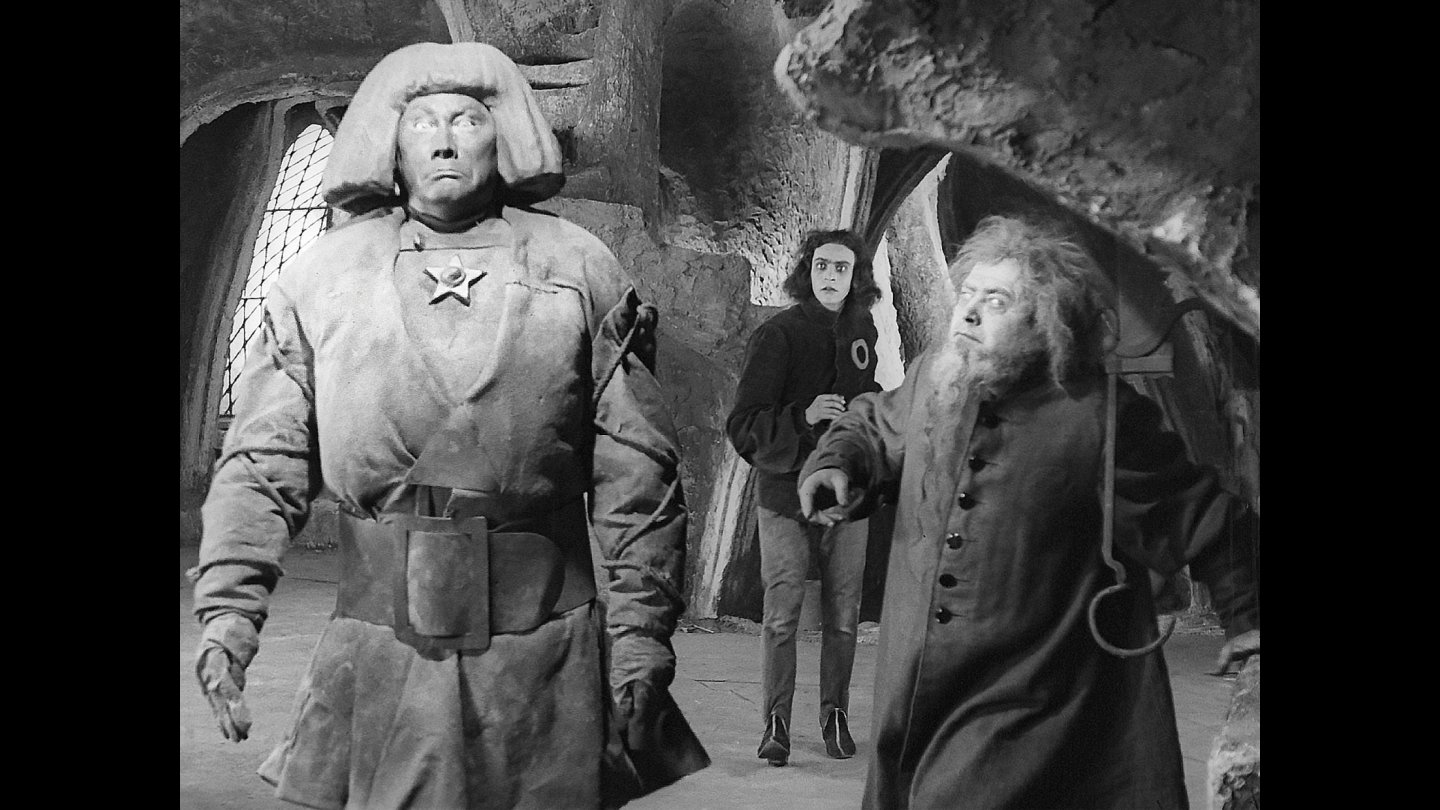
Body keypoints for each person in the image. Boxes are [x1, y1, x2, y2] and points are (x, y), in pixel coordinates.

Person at [189, 41, 707, 809]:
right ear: (389, 140)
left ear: (505, 134)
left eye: (466, 119)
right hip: (377, 658)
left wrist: (639, 641)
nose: (443, 140)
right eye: (422, 121)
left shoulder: (578, 267)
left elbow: (638, 474)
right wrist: (229, 611)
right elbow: (261, 461)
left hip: (545, 658)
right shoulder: (323, 278)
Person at [798, 215, 1261, 809]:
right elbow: (871, 423)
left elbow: (1212, 521)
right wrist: (837, 462)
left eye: (996, 301)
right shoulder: (936, 379)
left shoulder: (1098, 418)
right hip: (913, 691)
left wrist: (1249, 624)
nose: (968, 313)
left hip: (1030, 701)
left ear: (1048, 322)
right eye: (968, 294)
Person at [725, 229, 884, 766]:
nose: (830, 277)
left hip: (847, 492)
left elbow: (866, 397)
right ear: (806, 272)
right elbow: (743, 425)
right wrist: (804, 415)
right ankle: (776, 724)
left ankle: (835, 716)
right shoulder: (778, 335)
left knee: (844, 615)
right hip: (785, 494)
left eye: (841, 268)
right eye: (821, 266)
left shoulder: (862, 330)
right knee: (782, 614)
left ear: (856, 277)